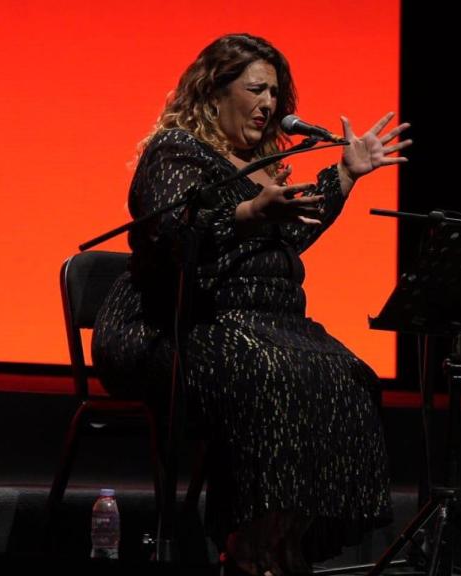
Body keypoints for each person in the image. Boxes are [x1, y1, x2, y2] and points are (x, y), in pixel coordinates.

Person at [91, 33, 411, 575]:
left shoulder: (262, 167)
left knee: (348, 373)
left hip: (262, 325)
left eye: (276, 95)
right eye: (257, 89)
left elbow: (285, 242)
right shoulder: (176, 151)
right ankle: (248, 544)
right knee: (269, 371)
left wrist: (346, 176)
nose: (269, 105)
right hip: (173, 326)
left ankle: (286, 542)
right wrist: (246, 214)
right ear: (214, 93)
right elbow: (173, 233)